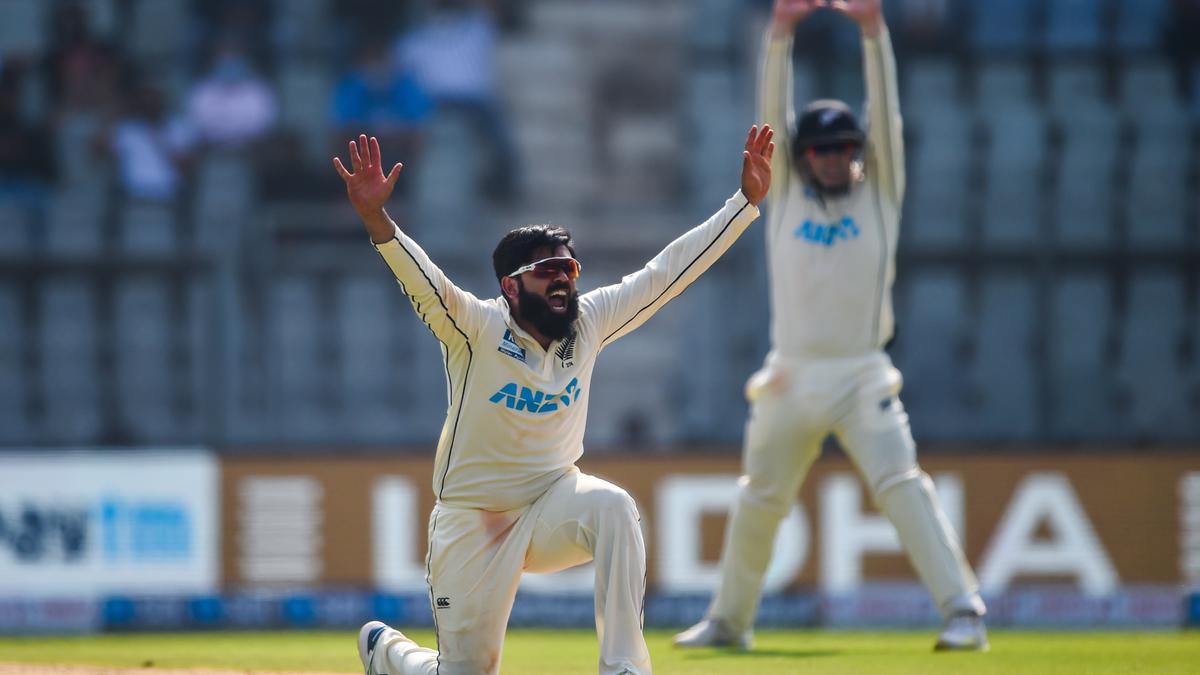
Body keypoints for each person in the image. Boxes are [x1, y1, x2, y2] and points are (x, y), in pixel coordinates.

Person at [334, 124, 773, 674]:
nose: (564, 279)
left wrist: (745, 204)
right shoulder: (474, 327)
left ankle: (624, 668)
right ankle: (389, 653)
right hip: (475, 519)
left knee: (614, 508)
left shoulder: (588, 323)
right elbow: (422, 281)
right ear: (510, 287)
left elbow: (667, 275)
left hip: (552, 503)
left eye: (569, 268)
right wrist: (377, 218)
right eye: (547, 271)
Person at [672, 0, 988, 653]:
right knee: (760, 496)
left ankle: (964, 612)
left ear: (858, 152)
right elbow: (768, 116)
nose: (832, 159)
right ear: (803, 155)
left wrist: (874, 33)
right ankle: (729, 621)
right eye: (819, 149)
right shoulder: (783, 192)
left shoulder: (881, 192)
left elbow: (888, 116)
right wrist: (779, 34)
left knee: (903, 485)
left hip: (862, 369)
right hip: (790, 369)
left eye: (844, 148)